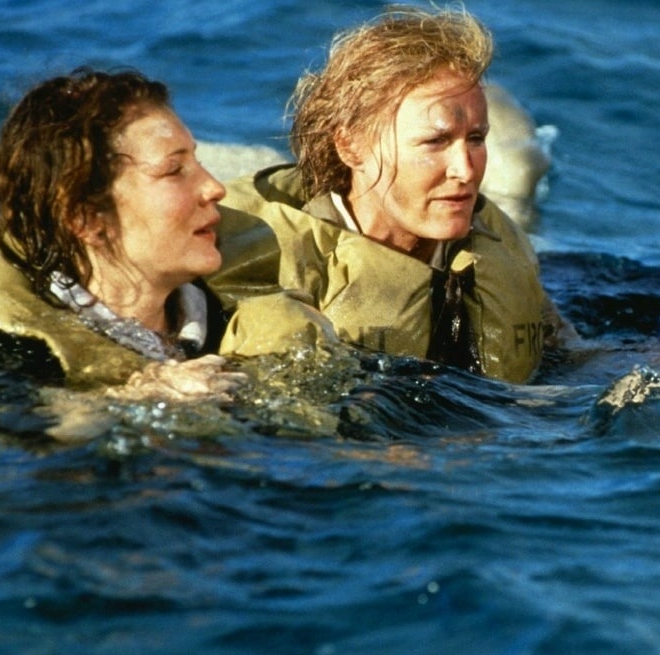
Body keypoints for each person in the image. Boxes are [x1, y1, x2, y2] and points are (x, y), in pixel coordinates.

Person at [210, 5, 574, 383]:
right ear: (351, 146)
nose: (466, 171)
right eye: (435, 141)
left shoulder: (497, 241)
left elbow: (569, 353)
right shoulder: (274, 265)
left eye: (477, 139)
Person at [0, 68, 235, 389]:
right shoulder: (2, 353)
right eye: (173, 171)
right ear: (85, 218)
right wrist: (136, 400)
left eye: (198, 162)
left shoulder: (223, 312)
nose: (214, 188)